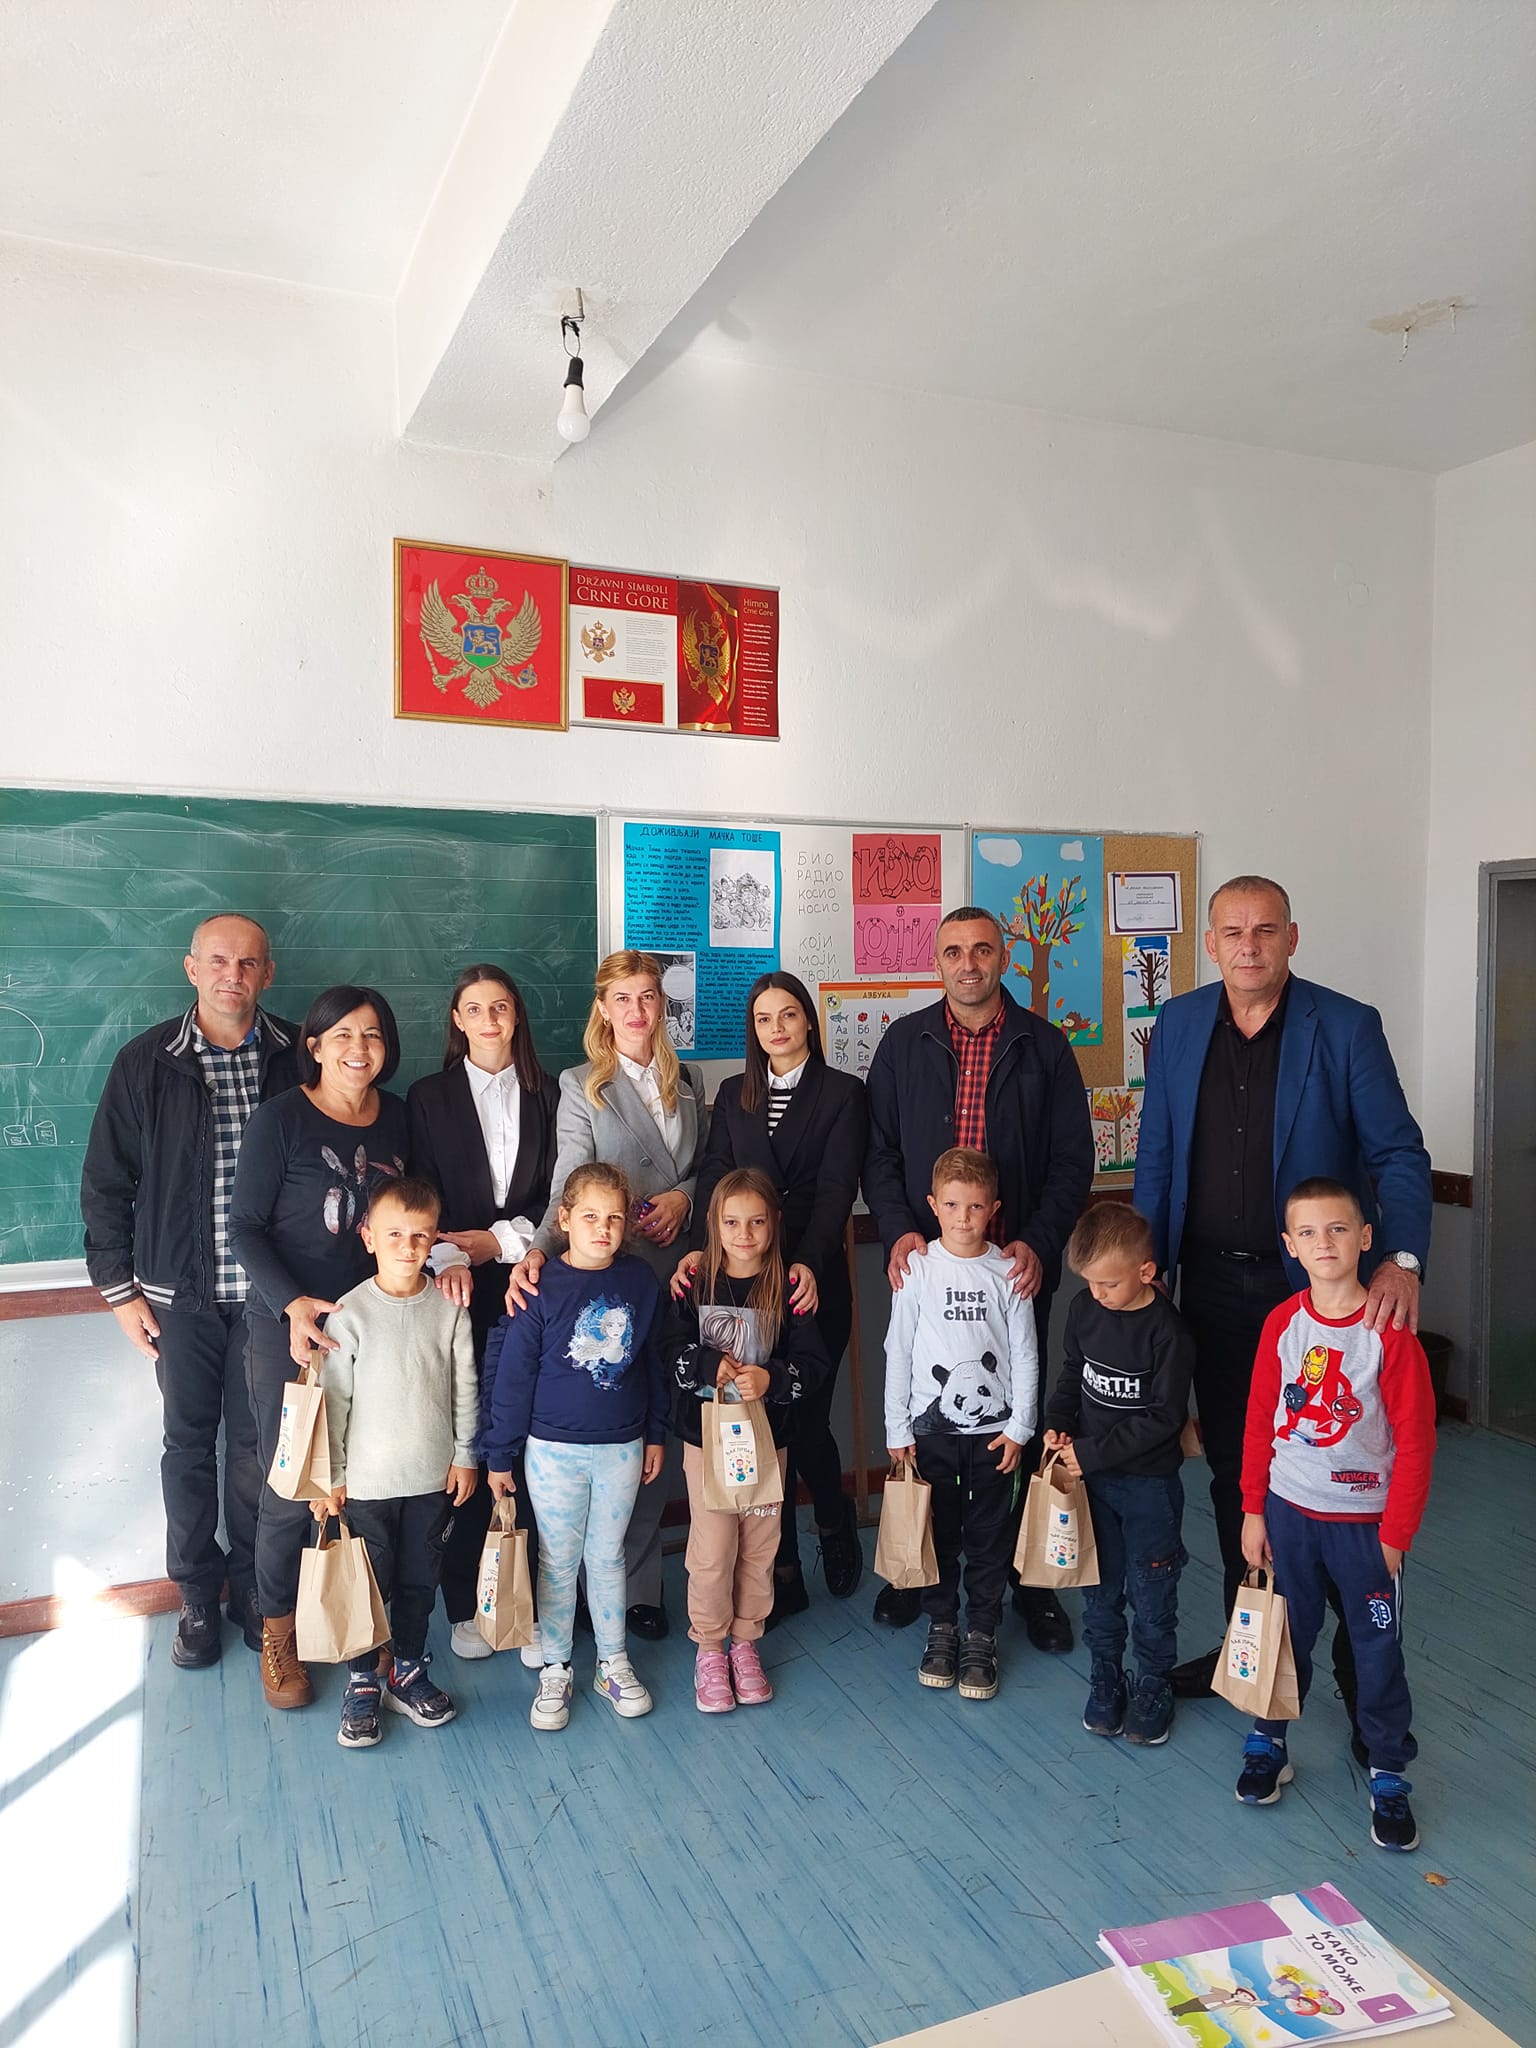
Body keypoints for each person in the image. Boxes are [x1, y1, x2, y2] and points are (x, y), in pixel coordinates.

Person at [1133, 875, 1432, 1703]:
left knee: (1342, 1481)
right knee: (1242, 1477)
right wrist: (1149, 1273)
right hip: (1211, 1293)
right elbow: (1156, 1158)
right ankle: (1254, 1648)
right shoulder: (1178, 1024)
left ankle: (1360, 1673)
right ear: (1210, 943)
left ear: (1291, 938)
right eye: (1232, 932)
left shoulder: (1345, 1025)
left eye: (1265, 930)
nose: (1249, 946)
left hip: (1320, 1300)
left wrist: (1401, 1260)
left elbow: (1398, 1155)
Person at [863, 905, 1094, 1646]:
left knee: (1010, 1431)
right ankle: (917, 1571)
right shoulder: (904, 1043)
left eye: (983, 950)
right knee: (928, 1435)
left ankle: (1028, 1584)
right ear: (938, 962)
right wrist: (899, 1228)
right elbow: (879, 1153)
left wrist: (1038, 1242)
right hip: (927, 1272)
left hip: (1012, 1272)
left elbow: (1072, 1162)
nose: (969, 963)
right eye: (955, 951)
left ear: (1004, 959)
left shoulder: (1044, 1047)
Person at [81, 914, 299, 1671]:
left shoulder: (298, 1055)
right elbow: (106, 1183)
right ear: (192, 968)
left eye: (248, 962)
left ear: (267, 973)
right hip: (179, 1298)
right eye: (218, 961)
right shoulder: (146, 1062)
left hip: (272, 1299)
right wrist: (119, 1291)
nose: (232, 974)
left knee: (257, 1450)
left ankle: (254, 1589)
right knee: (187, 1447)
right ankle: (197, 1597)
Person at [503, 950, 706, 1641]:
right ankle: (583, 1594)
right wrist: (538, 1249)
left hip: (679, 1274)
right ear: (603, 1008)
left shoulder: (690, 1080)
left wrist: (684, 1197)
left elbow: (708, 1166)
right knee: (608, 1425)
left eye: (648, 996)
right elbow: (570, 1177)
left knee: (657, 1427)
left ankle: (639, 1589)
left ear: (661, 1003)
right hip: (612, 1280)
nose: (637, 1010)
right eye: (623, 998)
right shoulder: (582, 1083)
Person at [1233, 1178, 1435, 1853]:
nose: (1325, 1242)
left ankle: (1388, 1771)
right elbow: (1259, 1420)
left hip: (1365, 1529)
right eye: (1309, 1232)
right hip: (1289, 1517)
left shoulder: (1390, 1336)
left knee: (1376, 1654)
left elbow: (1417, 1443)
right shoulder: (1282, 1325)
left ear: (1366, 1237)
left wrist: (1395, 1536)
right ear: (1290, 1246)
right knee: (1284, 1639)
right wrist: (1253, 1509)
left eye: (1339, 1228)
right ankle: (1268, 1741)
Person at [229, 984, 408, 1711]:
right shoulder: (281, 1119)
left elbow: (413, 1216)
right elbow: (244, 1227)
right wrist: (292, 1303)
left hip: (376, 1329)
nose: (359, 1049)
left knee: (369, 1482)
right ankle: (279, 1634)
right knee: (292, 1488)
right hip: (293, 1331)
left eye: (372, 1035)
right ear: (315, 1046)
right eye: (343, 1036)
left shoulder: (399, 1118)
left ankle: (367, 1626)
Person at [671, 971, 866, 1624]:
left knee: (802, 1420)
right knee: (754, 1423)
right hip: (738, 1277)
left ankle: (833, 1523)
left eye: (788, 1014)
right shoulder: (735, 1092)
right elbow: (714, 1176)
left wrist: (804, 1261)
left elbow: (836, 1189)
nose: (776, 1028)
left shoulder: (843, 1092)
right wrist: (702, 1246)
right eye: (763, 1019)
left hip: (806, 1275)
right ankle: (781, 1570)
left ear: (808, 1020)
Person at [406, 964, 560, 1669]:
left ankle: (528, 1601)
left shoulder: (552, 1091)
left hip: (534, 1283)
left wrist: (498, 1243)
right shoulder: (428, 1097)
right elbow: (420, 1194)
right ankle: (468, 1605)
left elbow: (560, 1191)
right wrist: (451, 1256)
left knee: (529, 1445)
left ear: (516, 1015)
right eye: (474, 1008)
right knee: (466, 1444)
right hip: (453, 1290)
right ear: (457, 1020)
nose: (489, 1019)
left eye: (500, 1006)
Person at [484, 1163, 668, 1732]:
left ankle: (612, 1663)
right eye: (590, 1216)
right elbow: (514, 1378)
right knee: (558, 1560)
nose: (603, 1228)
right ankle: (556, 1667)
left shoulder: (641, 1280)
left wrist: (657, 1433)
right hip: (552, 1452)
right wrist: (499, 1454)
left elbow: (655, 1362)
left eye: (614, 1217)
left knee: (608, 1557)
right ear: (563, 1219)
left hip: (623, 1447)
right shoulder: (540, 1286)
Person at [312, 1179, 478, 1748]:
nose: (408, 1247)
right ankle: (362, 1681)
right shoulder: (350, 1314)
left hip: (431, 1480)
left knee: (417, 1583)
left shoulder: (449, 1310)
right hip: (365, 1487)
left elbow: (465, 1387)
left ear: (435, 1240)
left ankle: (406, 1671)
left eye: (420, 1236)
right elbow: (334, 1402)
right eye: (394, 1235)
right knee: (368, 1586)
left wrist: (465, 1455)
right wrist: (331, 1478)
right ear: (368, 1237)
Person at [669, 1168, 831, 1712]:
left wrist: (773, 1379)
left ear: (775, 1224)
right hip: (706, 1445)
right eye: (732, 1222)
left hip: (767, 1445)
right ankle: (709, 1649)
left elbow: (814, 1363)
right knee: (713, 1550)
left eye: (757, 1222)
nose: (744, 1234)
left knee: (760, 1549)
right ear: (713, 1224)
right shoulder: (694, 1283)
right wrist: (706, 1364)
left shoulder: (790, 1289)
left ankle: (745, 1643)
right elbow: (669, 1350)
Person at [883, 1148, 1038, 1702]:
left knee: (991, 1536)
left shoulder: (1007, 1273)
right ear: (933, 1205)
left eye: (975, 1207)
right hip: (931, 1436)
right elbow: (898, 1350)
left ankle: (982, 1631)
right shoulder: (918, 1270)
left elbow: (1025, 1354)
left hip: (995, 1437)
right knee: (939, 1531)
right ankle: (943, 1623)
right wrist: (897, 1428)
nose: (963, 1217)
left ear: (993, 1209)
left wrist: (1021, 1426)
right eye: (952, 1205)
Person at [1042, 1203, 1194, 1748]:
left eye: (1109, 1283)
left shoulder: (1169, 1333)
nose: (1098, 1293)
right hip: (1093, 1483)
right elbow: (1072, 1373)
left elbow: (1164, 1418)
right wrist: (1058, 1422)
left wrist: (1093, 1453)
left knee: (1152, 1593)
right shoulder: (1084, 1309)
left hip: (1149, 1487)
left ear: (1146, 1271)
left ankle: (1153, 1682)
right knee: (1100, 1588)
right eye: (1091, 1282)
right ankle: (1106, 1676)